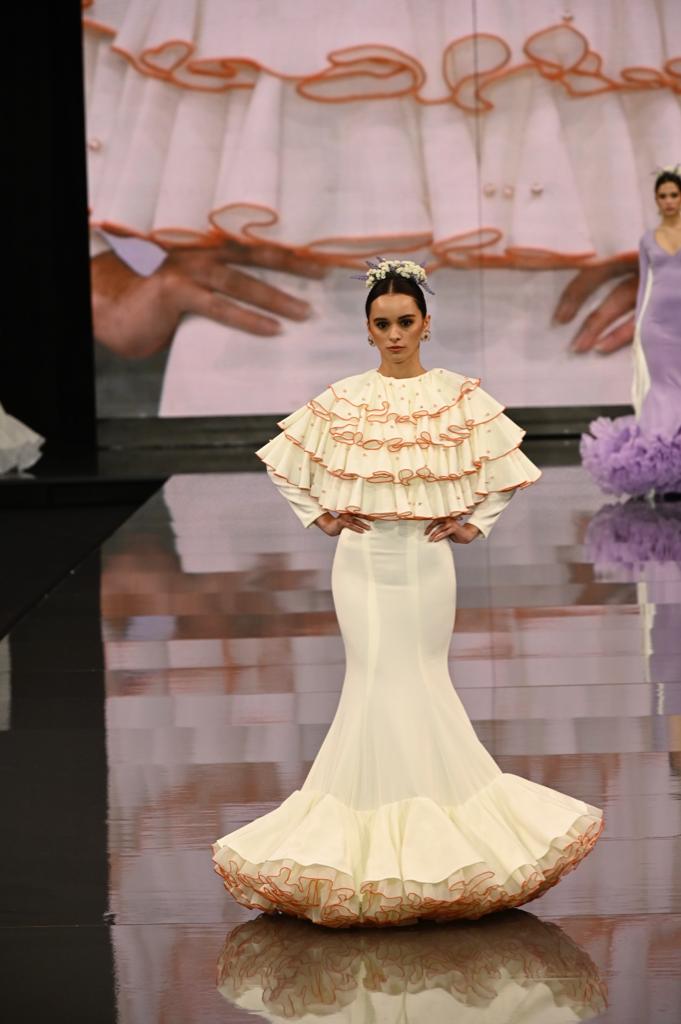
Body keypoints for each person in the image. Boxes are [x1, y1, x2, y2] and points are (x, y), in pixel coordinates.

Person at [212, 259, 604, 927]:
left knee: (422, 677)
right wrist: (322, 514)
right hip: (360, 559)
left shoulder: (455, 396)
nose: (394, 334)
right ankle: (382, 843)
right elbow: (286, 463)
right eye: (381, 324)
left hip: (426, 563)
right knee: (371, 679)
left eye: (405, 322)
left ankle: (428, 840)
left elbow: (505, 470)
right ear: (367, 331)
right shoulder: (344, 397)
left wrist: (473, 522)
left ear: (426, 324)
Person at [581, 167, 681, 497]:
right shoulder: (648, 239)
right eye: (663, 195)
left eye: (674, 195)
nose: (669, 201)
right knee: (664, 389)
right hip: (657, 326)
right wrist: (639, 325)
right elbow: (643, 286)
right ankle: (663, 457)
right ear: (656, 200)